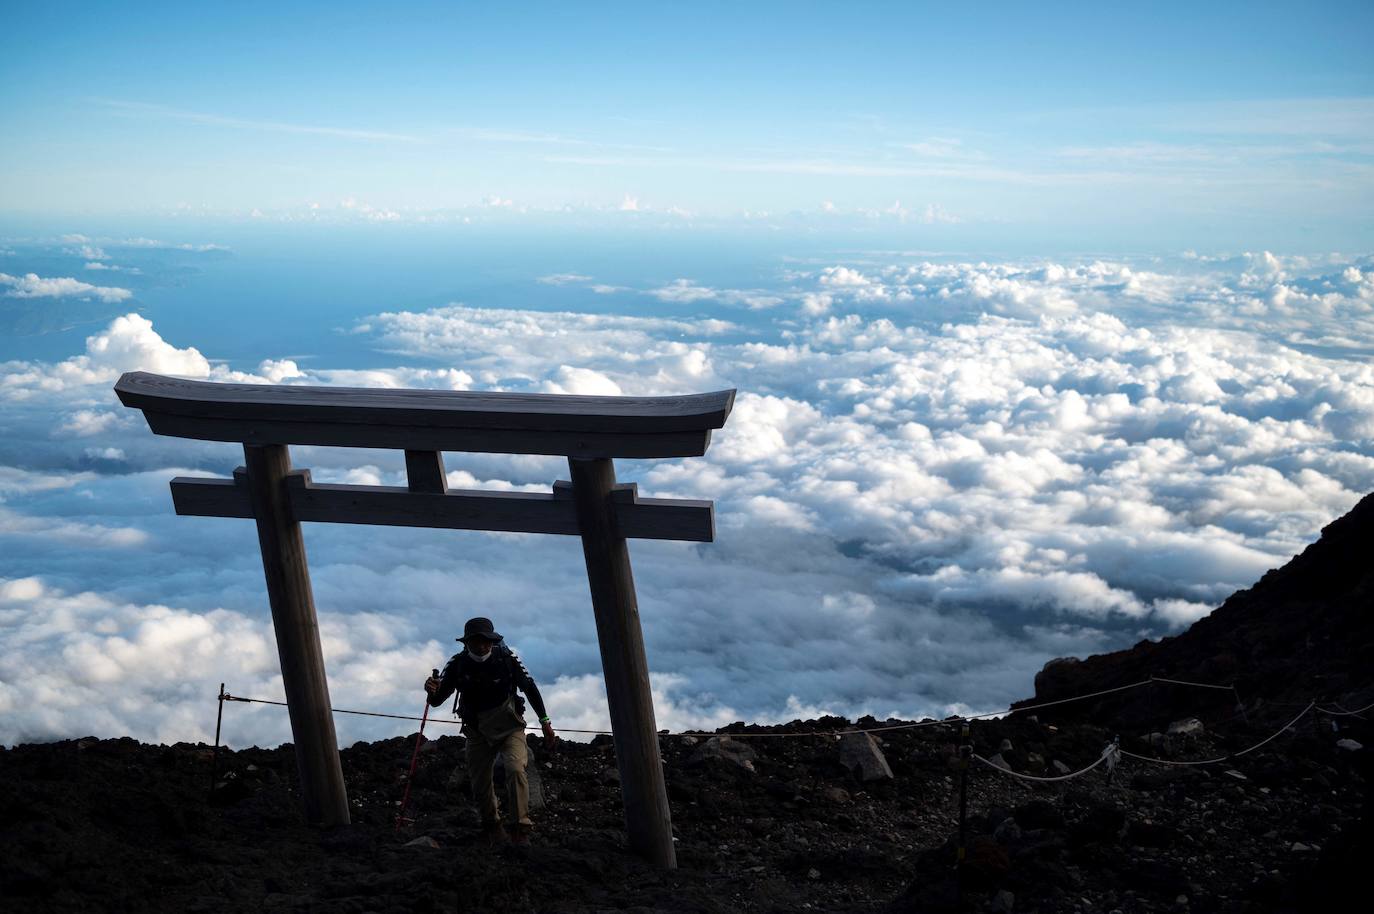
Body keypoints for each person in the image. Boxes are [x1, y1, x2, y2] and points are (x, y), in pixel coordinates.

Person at [424, 617, 556, 844]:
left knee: (515, 769)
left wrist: (545, 722)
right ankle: (492, 826)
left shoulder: (506, 660)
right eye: (476, 641)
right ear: (466, 643)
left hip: (510, 728)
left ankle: (520, 829)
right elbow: (437, 701)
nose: (482, 645)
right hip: (476, 731)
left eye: (486, 641)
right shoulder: (457, 665)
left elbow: (529, 688)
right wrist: (431, 690)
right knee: (479, 780)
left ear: (492, 641)